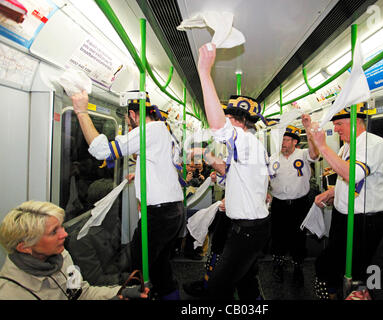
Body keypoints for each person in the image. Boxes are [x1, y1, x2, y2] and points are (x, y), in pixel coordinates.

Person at [70, 91, 184, 300]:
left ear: (133, 114)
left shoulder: (148, 131)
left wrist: (81, 112)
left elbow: (103, 151)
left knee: (139, 266)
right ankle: (170, 295)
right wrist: (140, 174)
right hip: (173, 210)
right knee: (159, 264)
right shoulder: (163, 130)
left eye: (127, 120)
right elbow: (162, 165)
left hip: (159, 215)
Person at [196, 42, 271, 299]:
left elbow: (218, 128)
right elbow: (239, 174)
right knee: (246, 282)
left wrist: (205, 73)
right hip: (251, 226)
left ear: (234, 120)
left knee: (219, 287)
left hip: (248, 230)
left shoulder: (245, 140)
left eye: (227, 116)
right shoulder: (250, 145)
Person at [309, 104, 383, 299]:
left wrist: (322, 146)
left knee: (363, 273)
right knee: (330, 265)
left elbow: (351, 174)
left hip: (365, 223)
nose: (336, 129)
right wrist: (332, 194)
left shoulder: (372, 144)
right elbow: (344, 178)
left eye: (339, 124)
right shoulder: (347, 146)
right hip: (344, 217)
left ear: (356, 122)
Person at [0, 201, 148, 300]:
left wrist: (121, 292)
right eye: (53, 232)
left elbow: (82, 293)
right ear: (25, 247)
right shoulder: (11, 292)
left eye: (61, 227)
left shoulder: (61, 256)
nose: (64, 234)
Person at [269, 119, 319, 286]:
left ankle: (298, 267)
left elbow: (315, 154)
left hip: (299, 204)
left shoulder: (303, 154)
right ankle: (278, 265)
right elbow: (265, 178)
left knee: (298, 237)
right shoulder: (273, 158)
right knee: (278, 236)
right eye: (282, 139)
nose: (283, 143)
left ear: (295, 142)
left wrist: (308, 130)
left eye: (286, 139)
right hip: (278, 204)